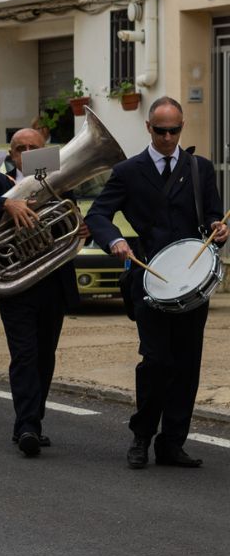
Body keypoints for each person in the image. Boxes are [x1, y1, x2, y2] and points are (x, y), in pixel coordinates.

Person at [86, 97, 228, 469]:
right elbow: (99, 213)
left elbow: (213, 216)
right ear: (149, 127)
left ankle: (172, 443)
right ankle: (142, 435)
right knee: (156, 362)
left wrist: (220, 229)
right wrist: (114, 239)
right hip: (148, 278)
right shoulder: (128, 171)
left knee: (186, 364)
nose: (168, 138)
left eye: (175, 130)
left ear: (181, 128)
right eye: (161, 130)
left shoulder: (199, 168)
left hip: (192, 283)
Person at [0, 128, 79, 456]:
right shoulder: (1, 183)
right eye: (21, 148)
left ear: (45, 151)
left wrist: (81, 227)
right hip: (17, 286)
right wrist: (6, 205)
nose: (27, 153)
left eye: (34, 148)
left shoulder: (58, 183)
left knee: (45, 356)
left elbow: (71, 220)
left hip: (51, 282)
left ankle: (32, 420)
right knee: (25, 355)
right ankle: (27, 425)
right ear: (13, 156)